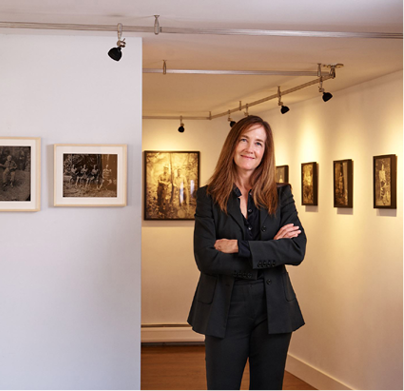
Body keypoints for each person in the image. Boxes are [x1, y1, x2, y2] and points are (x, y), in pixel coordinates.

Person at [188, 116, 307, 391]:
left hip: (273, 308)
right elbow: (206, 258)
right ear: (232, 145)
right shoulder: (209, 196)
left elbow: (296, 250)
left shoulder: (281, 194)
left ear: (265, 152)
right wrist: (269, 251)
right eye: (244, 140)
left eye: (258, 143)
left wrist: (238, 246)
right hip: (224, 307)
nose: (249, 149)